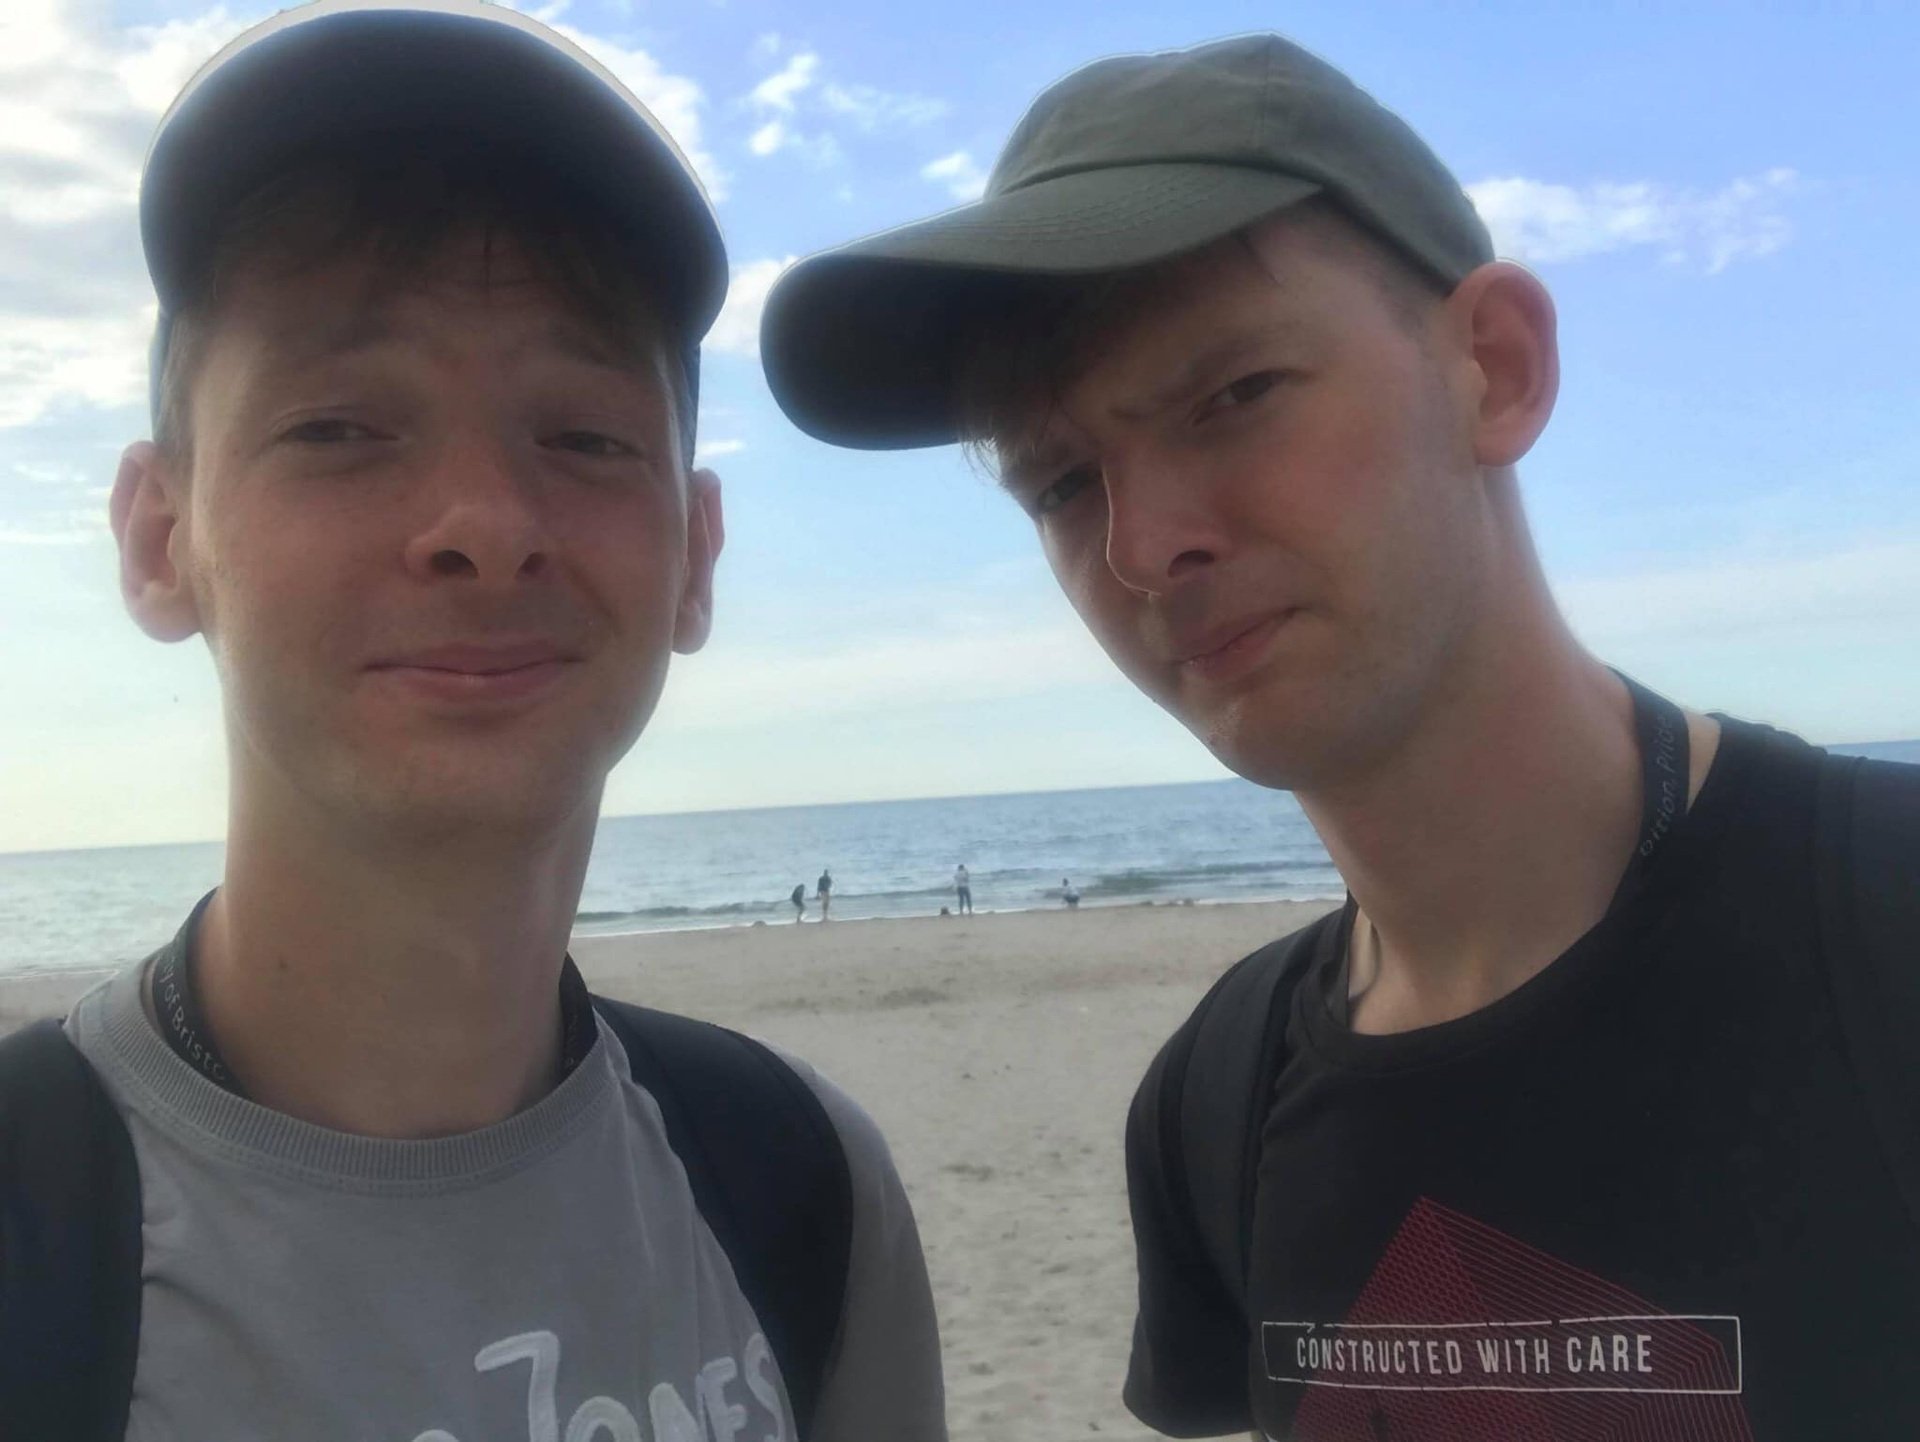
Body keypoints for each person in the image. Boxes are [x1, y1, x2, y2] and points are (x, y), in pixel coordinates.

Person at [759, 32, 1920, 1442]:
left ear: (1493, 369)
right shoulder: (1219, 1097)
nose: (1144, 543)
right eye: (1064, 482)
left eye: (1232, 395)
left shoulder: (1877, 927)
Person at [0, 6, 946, 1440]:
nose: (486, 528)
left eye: (582, 436)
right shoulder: (35, 1228)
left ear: (694, 556)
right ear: (158, 536)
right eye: (339, 427)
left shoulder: (801, 1182)